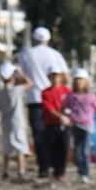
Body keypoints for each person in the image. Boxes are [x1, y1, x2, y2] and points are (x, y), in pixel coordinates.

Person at [18, 26, 69, 179]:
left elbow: (20, 76)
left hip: (35, 99)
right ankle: (57, 167)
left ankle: (44, 168)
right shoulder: (55, 55)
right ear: (48, 39)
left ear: (34, 39)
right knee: (58, 135)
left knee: (39, 136)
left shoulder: (26, 54)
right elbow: (66, 77)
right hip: (54, 100)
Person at [61, 68, 96, 185]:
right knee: (78, 150)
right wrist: (64, 116)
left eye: (81, 80)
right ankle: (80, 172)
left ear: (86, 82)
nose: (79, 82)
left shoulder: (91, 96)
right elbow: (63, 108)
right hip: (75, 125)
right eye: (77, 80)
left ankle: (85, 173)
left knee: (85, 150)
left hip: (87, 126)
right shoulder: (71, 96)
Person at [0, 60, 32, 181]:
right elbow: (30, 83)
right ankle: (21, 171)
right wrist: (21, 73)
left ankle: (5, 172)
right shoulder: (16, 90)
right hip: (17, 124)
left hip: (6, 125)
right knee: (20, 149)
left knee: (7, 150)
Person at [41, 64, 72, 183]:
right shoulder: (46, 92)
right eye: (52, 76)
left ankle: (60, 172)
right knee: (53, 149)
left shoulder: (67, 91)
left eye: (57, 76)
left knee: (64, 148)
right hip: (51, 124)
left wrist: (68, 115)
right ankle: (54, 170)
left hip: (65, 125)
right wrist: (61, 116)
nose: (55, 79)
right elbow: (48, 109)